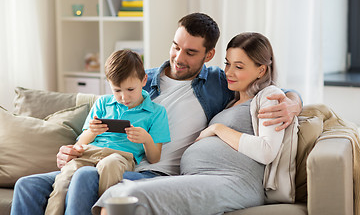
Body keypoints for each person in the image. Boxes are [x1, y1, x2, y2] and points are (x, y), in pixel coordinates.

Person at [11, 13, 302, 215]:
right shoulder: (139, 80)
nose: (178, 57)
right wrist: (71, 150)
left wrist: (293, 102)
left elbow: (268, 88)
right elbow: (97, 122)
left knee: (87, 178)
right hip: (106, 159)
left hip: (150, 173)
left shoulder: (219, 83)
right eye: (176, 47)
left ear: (208, 55)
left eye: (190, 52)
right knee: (28, 185)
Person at [95, 32, 293, 215]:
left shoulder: (268, 95)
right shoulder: (230, 99)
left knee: (127, 195)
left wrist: (218, 129)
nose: (229, 73)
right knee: (120, 193)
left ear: (261, 70)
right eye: (227, 64)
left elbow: (267, 150)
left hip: (231, 182)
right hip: (197, 176)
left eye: (239, 67)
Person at [44, 50, 170, 215]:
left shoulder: (156, 112)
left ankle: (106, 211)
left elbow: (155, 158)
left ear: (144, 80)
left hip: (120, 157)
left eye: (130, 89)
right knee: (65, 176)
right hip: (89, 153)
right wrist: (92, 132)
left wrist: (146, 139)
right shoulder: (103, 103)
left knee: (109, 164)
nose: (124, 97)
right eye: (117, 90)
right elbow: (80, 143)